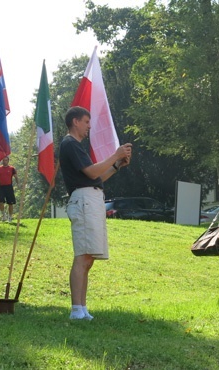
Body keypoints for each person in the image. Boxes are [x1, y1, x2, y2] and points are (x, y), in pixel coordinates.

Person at [59, 106, 132, 321]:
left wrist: (117, 165)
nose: (89, 126)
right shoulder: (69, 144)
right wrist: (115, 154)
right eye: (86, 122)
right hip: (83, 202)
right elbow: (91, 172)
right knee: (82, 256)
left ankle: (82, 308)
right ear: (75, 122)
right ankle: (75, 310)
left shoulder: (77, 147)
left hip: (90, 200)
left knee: (89, 257)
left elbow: (96, 177)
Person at [0, 156, 19, 222]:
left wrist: (18, 184)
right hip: (1, 187)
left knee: (10, 203)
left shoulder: (12, 168)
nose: (4, 161)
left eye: (6, 160)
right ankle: (3, 215)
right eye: (3, 160)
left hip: (9, 187)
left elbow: (16, 176)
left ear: (8, 161)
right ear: (2, 161)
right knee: (0, 202)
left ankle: (10, 217)